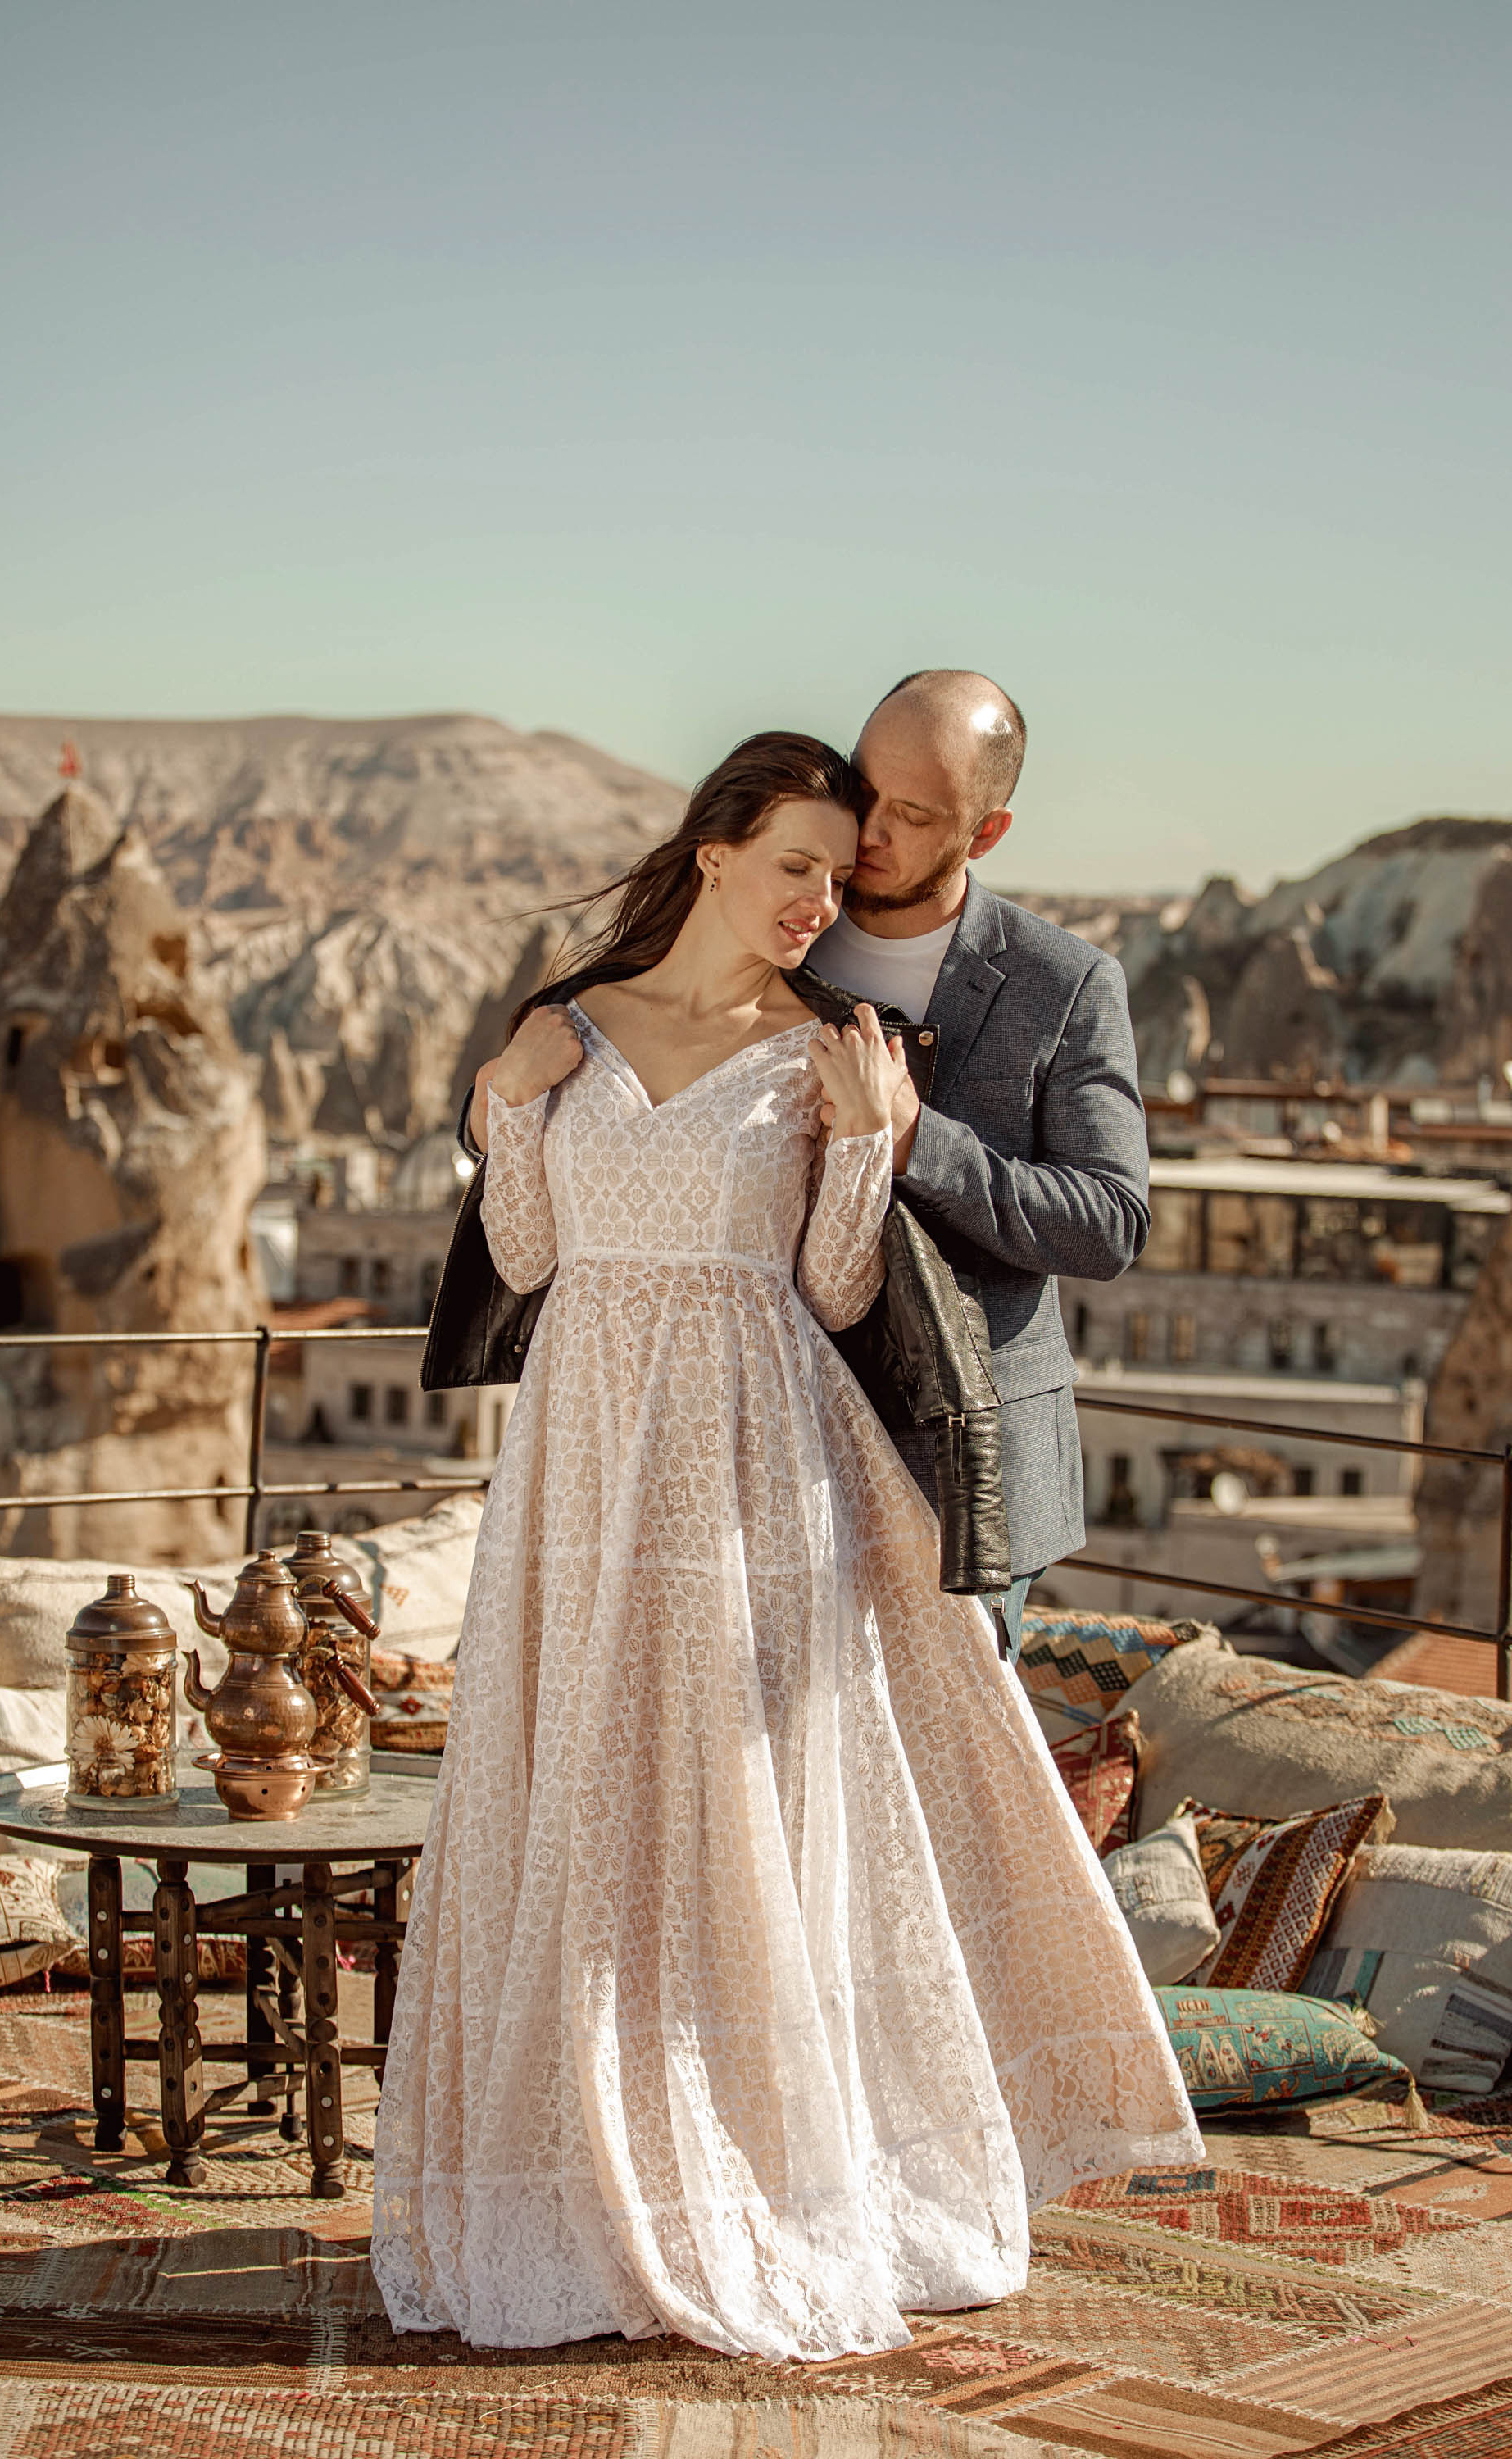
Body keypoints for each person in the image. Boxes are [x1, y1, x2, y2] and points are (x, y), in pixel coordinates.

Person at [370, 732, 1200, 2361]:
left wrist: (877, 1138)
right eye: (797, 867)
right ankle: (583, 2189)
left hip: (754, 1464)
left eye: (842, 871)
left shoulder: (836, 1043)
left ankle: (753, 2173)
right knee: (582, 1806)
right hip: (579, 1461)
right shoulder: (565, 1029)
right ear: (710, 856)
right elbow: (531, 1258)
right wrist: (502, 1109)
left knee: (738, 1815)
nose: (829, 897)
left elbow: (829, 1293)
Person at [812, 671, 1150, 1661]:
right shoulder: (768, 926)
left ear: (985, 832)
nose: (868, 830)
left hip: (970, 1473)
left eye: (911, 815)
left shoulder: (1066, 984)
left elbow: (1108, 1220)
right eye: (861, 789)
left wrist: (918, 1140)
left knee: (950, 1798)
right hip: (781, 1444)